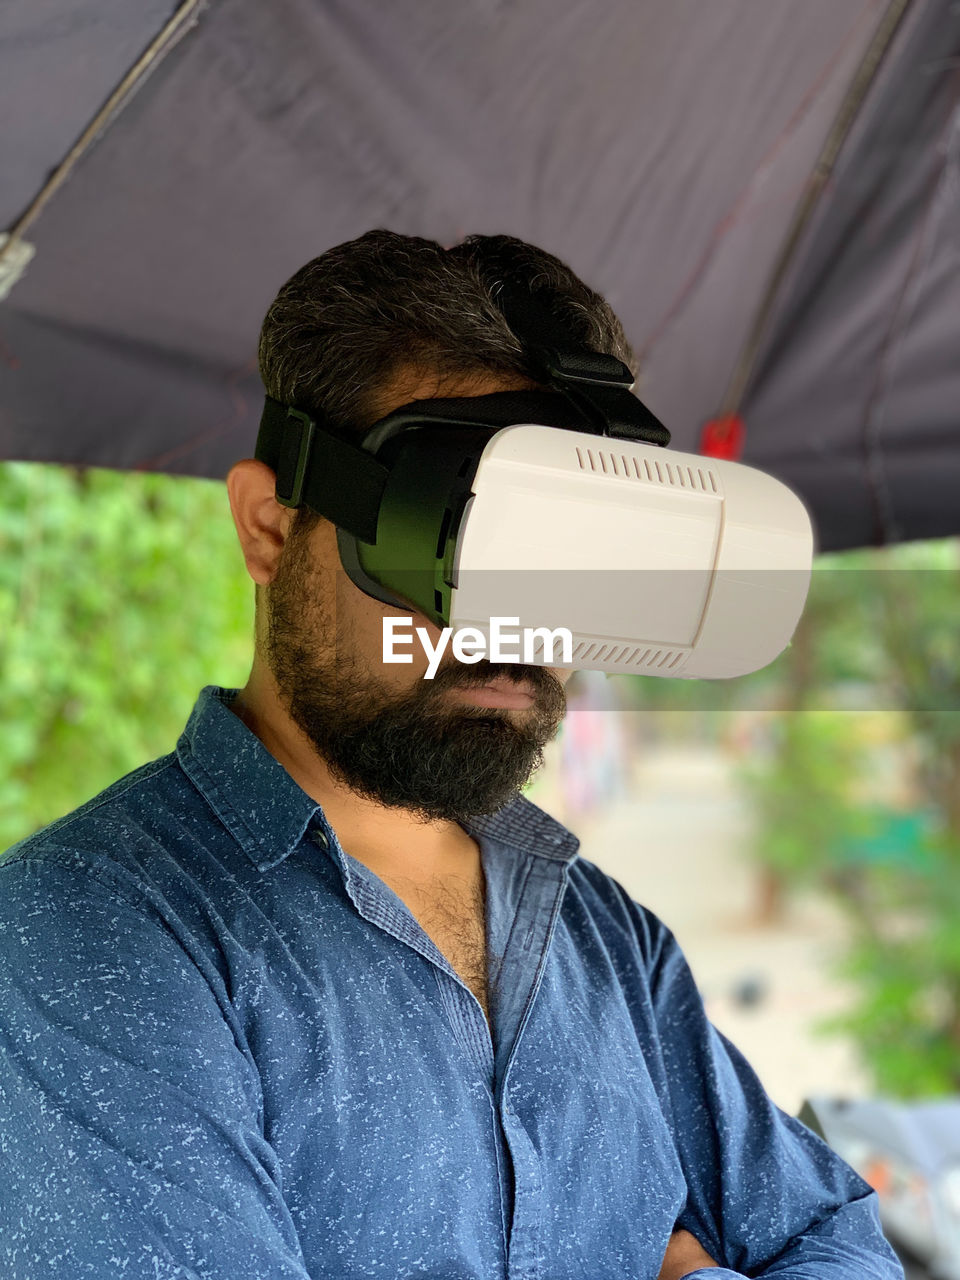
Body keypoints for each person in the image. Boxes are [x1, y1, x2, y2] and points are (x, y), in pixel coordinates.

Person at [0, 231, 903, 1280]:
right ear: (271, 524)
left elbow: (834, 1241)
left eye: (572, 560)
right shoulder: (91, 938)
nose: (510, 624)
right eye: (456, 537)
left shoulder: (606, 939)